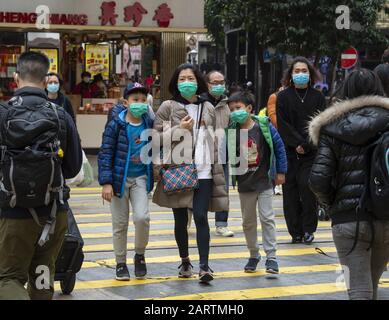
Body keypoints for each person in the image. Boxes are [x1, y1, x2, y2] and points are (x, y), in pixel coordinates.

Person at [0, 51, 82, 300]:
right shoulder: (60, 115)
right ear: (46, 81)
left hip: (13, 213)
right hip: (53, 215)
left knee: (9, 278)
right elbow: (73, 167)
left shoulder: (3, 114)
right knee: (43, 276)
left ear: (16, 78)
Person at [309, 68, 389, 300]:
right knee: (372, 285)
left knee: (359, 289)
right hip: (386, 215)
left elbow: (317, 179)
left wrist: (332, 204)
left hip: (348, 220)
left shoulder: (331, 127)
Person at [152, 63, 228, 283]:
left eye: (191, 78)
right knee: (180, 220)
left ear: (198, 82)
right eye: (182, 79)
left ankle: (204, 267)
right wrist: (180, 130)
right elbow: (156, 139)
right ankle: (185, 260)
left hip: (204, 170)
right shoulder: (168, 107)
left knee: (202, 216)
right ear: (176, 82)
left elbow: (217, 136)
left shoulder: (209, 107)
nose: (187, 82)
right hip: (178, 170)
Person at [226, 90, 287, 274]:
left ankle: (272, 257)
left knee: (267, 218)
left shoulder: (264, 126)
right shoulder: (231, 130)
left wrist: (281, 171)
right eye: (232, 109)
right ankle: (254, 254)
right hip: (245, 184)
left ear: (249, 108)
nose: (235, 111)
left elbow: (279, 147)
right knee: (248, 222)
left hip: (264, 181)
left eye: (238, 107)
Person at [98, 83, 154, 281]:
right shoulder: (116, 124)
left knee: (142, 218)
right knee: (120, 224)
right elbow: (105, 153)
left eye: (142, 100)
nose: (139, 104)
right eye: (135, 100)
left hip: (141, 178)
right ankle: (120, 262)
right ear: (125, 102)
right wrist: (106, 182)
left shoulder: (149, 122)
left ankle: (139, 255)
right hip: (118, 180)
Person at [276, 56, 326, 244]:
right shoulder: (283, 97)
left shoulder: (318, 97)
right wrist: (296, 143)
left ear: (310, 74)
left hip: (310, 152)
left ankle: (308, 230)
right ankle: (295, 232)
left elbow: (320, 123)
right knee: (289, 192)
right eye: (296, 71)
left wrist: (306, 144)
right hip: (289, 152)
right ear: (290, 75)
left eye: (304, 71)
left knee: (307, 189)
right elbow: (283, 124)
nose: (300, 74)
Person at [201, 70, 234, 237]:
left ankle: (221, 224)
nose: (219, 85)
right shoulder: (200, 103)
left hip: (222, 153)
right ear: (207, 84)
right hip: (202, 154)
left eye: (221, 82)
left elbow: (232, 129)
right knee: (199, 189)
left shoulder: (227, 104)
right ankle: (194, 219)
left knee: (222, 189)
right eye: (215, 82)